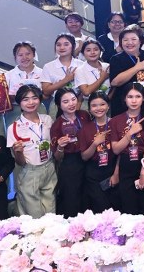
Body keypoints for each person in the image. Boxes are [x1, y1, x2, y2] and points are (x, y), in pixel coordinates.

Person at [110, 82, 144, 214]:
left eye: (138, 96)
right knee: (129, 207)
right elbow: (116, 150)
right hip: (126, 164)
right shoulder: (115, 120)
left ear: (143, 98)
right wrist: (129, 133)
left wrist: (143, 171)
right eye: (130, 97)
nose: (134, 101)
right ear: (124, 98)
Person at [7, 85, 57, 218]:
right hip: (30, 171)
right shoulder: (14, 128)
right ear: (19, 103)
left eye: (34, 98)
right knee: (33, 216)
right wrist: (18, 152)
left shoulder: (47, 120)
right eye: (25, 99)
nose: (31, 102)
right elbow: (20, 162)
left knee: (51, 212)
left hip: (49, 166)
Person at [50, 87, 91, 217]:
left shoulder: (84, 115)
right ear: (59, 105)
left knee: (88, 196)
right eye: (66, 101)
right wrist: (60, 147)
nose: (71, 104)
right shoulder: (57, 125)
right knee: (72, 198)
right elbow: (57, 157)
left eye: (73, 99)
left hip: (88, 159)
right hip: (70, 163)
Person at [78, 91, 118, 213]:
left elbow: (121, 152)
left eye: (102, 104)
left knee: (116, 209)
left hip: (113, 169)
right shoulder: (85, 129)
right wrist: (95, 143)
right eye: (94, 105)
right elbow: (84, 157)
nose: (99, 108)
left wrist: (116, 174)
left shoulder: (116, 123)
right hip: (94, 174)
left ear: (108, 106)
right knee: (100, 209)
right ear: (89, 109)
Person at [109, 26, 144, 117]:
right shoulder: (116, 59)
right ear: (121, 42)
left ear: (140, 41)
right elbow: (115, 82)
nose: (129, 43)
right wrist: (136, 68)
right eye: (125, 40)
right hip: (122, 104)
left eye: (133, 39)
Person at [2, 41, 43, 133]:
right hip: (15, 111)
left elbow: (47, 94)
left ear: (34, 55)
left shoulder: (43, 73)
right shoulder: (7, 76)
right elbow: (4, 101)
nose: (24, 57)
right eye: (20, 55)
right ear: (15, 57)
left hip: (38, 109)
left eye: (28, 54)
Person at [40, 34, 79, 116]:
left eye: (66, 44)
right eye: (58, 45)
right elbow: (46, 91)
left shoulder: (81, 65)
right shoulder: (48, 66)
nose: (62, 47)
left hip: (79, 103)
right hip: (57, 105)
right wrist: (65, 80)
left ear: (73, 46)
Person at [74, 40, 110, 105]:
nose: (92, 52)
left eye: (96, 49)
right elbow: (86, 92)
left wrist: (107, 101)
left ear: (100, 52)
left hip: (107, 103)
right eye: (88, 50)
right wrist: (102, 78)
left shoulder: (107, 66)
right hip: (88, 104)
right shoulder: (80, 70)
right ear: (83, 53)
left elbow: (114, 87)